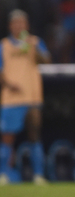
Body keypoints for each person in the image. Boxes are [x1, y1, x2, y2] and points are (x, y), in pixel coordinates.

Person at [0, 10, 51, 185]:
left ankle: (38, 175)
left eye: (22, 23)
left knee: (34, 135)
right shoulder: (4, 46)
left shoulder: (35, 42)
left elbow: (45, 61)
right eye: (16, 23)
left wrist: (34, 48)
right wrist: (8, 83)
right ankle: (3, 174)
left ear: (27, 26)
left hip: (32, 97)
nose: (19, 26)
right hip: (10, 98)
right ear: (10, 26)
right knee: (7, 137)